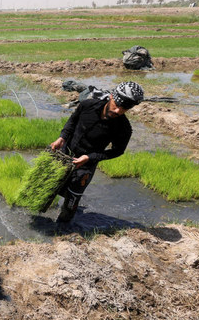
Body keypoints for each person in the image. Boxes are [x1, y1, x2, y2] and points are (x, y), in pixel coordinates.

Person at [49, 81, 144, 222]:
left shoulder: (123, 128)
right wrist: (62, 137)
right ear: (112, 96)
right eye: (117, 105)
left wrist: (89, 157)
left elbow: (117, 151)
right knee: (50, 187)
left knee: (71, 201)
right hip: (64, 154)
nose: (118, 111)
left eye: (124, 109)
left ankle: (62, 229)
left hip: (86, 164)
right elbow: (72, 122)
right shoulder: (87, 106)